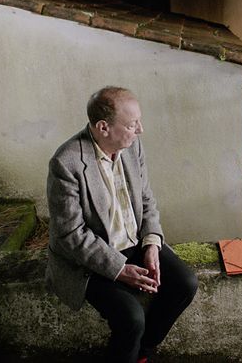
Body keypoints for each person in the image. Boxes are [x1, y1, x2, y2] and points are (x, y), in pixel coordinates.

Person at [45, 86, 198, 363]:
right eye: (132, 124)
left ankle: (142, 351)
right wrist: (119, 269)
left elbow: (147, 198)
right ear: (103, 128)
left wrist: (152, 242)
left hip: (133, 241)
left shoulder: (131, 146)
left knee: (185, 284)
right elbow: (70, 235)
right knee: (131, 318)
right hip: (89, 258)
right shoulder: (65, 163)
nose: (140, 130)